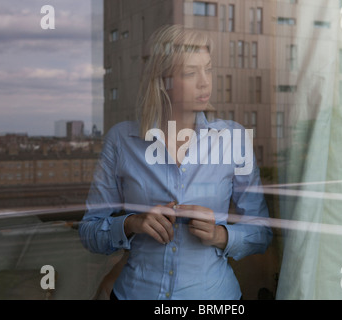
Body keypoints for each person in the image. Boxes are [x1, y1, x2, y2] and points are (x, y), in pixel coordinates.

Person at [79, 24, 272, 300]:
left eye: (209, 68)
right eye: (191, 73)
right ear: (162, 79)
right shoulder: (122, 140)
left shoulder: (233, 139)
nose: (205, 82)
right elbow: (88, 231)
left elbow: (261, 232)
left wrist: (220, 235)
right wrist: (132, 223)